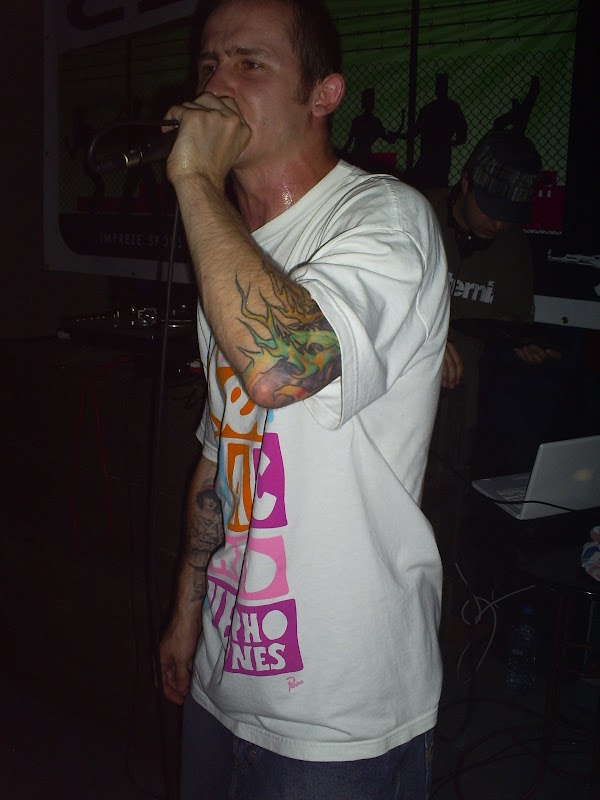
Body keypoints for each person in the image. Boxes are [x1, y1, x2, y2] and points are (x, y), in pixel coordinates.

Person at [159, 1, 449, 797]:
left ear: (325, 94)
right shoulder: (231, 252)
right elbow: (222, 447)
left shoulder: (386, 218)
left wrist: (193, 179)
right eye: (208, 64)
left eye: (250, 63)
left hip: (340, 709)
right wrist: (187, 609)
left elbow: (280, 369)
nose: (217, 85)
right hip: (224, 674)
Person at [424, 131, 561, 473]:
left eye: (508, 214)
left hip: (462, 397)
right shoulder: (417, 214)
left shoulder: (513, 247)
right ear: (466, 183)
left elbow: (510, 319)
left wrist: (522, 342)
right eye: (491, 209)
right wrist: (427, 341)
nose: (498, 223)